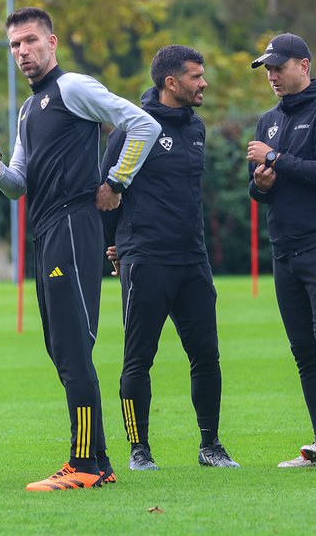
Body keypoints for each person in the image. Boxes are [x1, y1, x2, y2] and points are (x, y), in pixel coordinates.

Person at [0, 7, 161, 491]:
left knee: (74, 348)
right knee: (61, 349)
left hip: (76, 228)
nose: (23, 52)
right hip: (48, 231)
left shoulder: (74, 87)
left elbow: (143, 125)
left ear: (52, 42)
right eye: (15, 45)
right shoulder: (26, 110)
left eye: (31, 41)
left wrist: (116, 181)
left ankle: (85, 465)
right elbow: (18, 185)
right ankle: (98, 460)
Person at [102, 45, 240, 471]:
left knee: (207, 356)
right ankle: (139, 451)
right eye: (196, 76)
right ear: (171, 83)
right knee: (138, 358)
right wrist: (115, 246)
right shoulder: (131, 131)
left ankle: (211, 447)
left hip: (192, 261)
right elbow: (105, 194)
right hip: (146, 259)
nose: (204, 83)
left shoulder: (197, 128)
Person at [247, 33, 316, 469]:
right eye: (268, 69)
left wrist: (274, 158)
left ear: (304, 66)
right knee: (304, 351)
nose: (272, 75)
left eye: (279, 66)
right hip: (285, 250)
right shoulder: (268, 121)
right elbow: (261, 191)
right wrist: (260, 183)